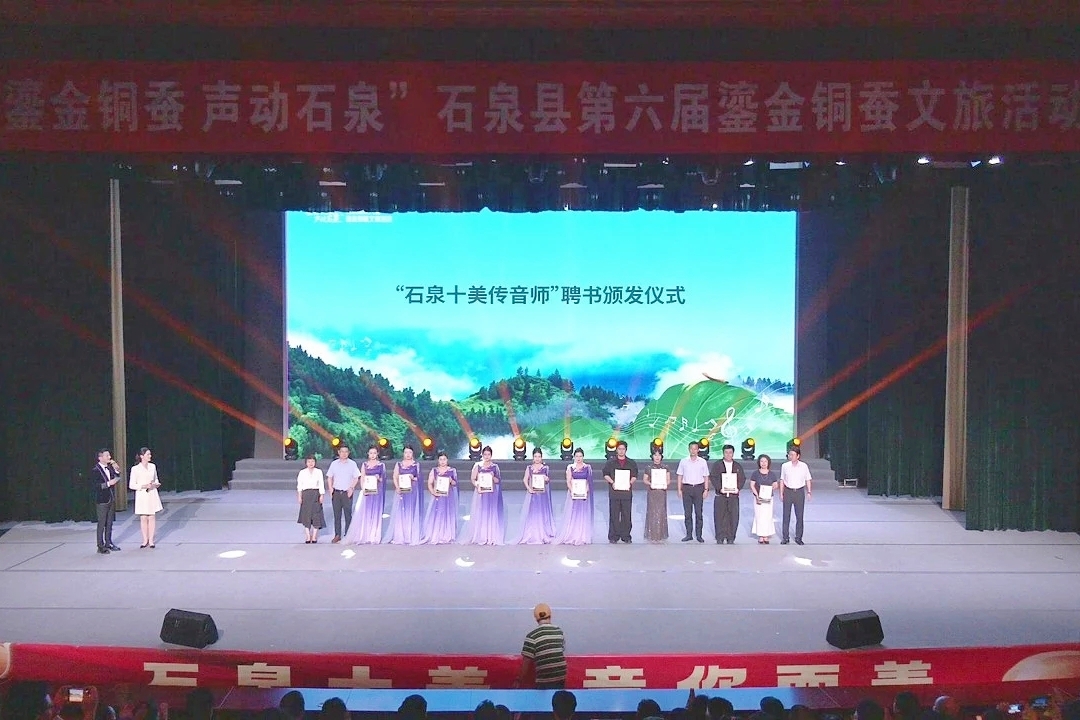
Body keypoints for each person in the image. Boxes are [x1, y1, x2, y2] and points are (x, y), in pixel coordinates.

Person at [516, 603, 567, 689]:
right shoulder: (559, 631)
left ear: (536, 618)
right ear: (550, 615)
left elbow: (526, 663)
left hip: (544, 681)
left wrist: (519, 680)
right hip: (561, 678)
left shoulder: (532, 636)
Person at [344, 446, 386, 544]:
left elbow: (383, 479)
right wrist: (363, 489)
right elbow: (362, 478)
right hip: (367, 492)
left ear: (377, 454)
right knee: (365, 513)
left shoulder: (381, 465)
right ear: (368, 454)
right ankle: (365, 534)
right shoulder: (365, 465)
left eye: (374, 453)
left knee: (375, 513)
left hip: (377, 492)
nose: (372, 455)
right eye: (371, 453)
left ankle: (374, 536)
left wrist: (378, 478)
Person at [465, 446, 505, 544]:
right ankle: (481, 535)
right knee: (481, 512)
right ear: (482, 455)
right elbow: (473, 479)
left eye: (489, 454)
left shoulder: (495, 467)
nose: (487, 456)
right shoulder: (477, 465)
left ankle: (491, 535)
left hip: (491, 493)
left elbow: (498, 481)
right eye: (485, 454)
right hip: (481, 493)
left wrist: (492, 477)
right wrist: (477, 484)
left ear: (491, 455)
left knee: (491, 512)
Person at [555, 448, 594, 545]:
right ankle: (572, 534)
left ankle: (582, 535)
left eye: (580, 456)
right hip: (573, 494)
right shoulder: (570, 467)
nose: (579, 458)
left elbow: (589, 481)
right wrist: (573, 491)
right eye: (577, 456)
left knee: (582, 514)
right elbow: (568, 481)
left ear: (583, 457)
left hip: (584, 494)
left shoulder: (587, 467)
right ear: (574, 457)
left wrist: (586, 491)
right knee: (573, 513)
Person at [602, 440, 637, 543]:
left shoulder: (631, 463)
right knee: (614, 515)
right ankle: (614, 536)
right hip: (615, 493)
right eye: (619, 449)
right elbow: (605, 474)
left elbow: (635, 475)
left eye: (623, 449)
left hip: (626, 493)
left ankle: (626, 536)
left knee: (626, 515)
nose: (621, 451)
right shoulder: (610, 462)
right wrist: (612, 482)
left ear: (626, 450)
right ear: (616, 450)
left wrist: (629, 483)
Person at [518, 447, 556, 544]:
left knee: (542, 513)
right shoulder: (529, 468)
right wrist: (529, 488)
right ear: (533, 457)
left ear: (541, 457)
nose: (537, 458)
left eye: (539, 456)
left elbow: (548, 480)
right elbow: (525, 479)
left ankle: (543, 532)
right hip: (533, 495)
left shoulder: (545, 468)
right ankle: (533, 533)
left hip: (543, 495)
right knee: (533, 513)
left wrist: (546, 478)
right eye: (535, 456)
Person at [388, 445, 424, 544]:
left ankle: (411, 534)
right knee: (401, 511)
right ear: (403, 453)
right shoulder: (398, 464)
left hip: (413, 491)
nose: (408, 454)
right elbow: (395, 477)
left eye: (410, 452)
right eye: (406, 452)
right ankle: (401, 535)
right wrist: (397, 487)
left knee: (411, 510)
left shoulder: (416, 465)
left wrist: (413, 478)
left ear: (413, 453)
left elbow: (420, 478)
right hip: (401, 491)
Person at [711, 444, 746, 544]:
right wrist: (720, 488)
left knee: (733, 517)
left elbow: (742, 479)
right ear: (723, 453)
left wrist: (738, 488)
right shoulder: (717, 465)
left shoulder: (737, 466)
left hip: (733, 496)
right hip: (721, 495)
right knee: (719, 517)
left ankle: (731, 537)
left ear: (733, 453)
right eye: (726, 452)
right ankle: (720, 537)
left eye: (730, 452)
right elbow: (713, 477)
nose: (728, 454)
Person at [421, 451, 459, 544]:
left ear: (447, 460)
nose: (442, 461)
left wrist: (451, 480)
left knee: (448, 514)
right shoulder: (434, 470)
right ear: (438, 460)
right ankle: (436, 534)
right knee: (437, 514)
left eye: (444, 459)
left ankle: (447, 534)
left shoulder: (452, 470)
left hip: (448, 496)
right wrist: (433, 492)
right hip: (437, 496)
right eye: (441, 459)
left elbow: (455, 483)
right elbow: (430, 483)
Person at [129, 447, 163, 548]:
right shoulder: (135, 469)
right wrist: (144, 486)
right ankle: (145, 540)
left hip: (152, 493)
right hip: (142, 495)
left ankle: (151, 540)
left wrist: (156, 484)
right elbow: (132, 485)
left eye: (150, 454)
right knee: (143, 517)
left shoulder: (152, 466)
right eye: (148, 454)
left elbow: (156, 478)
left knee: (152, 516)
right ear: (141, 456)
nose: (150, 456)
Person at [676, 441, 710, 542]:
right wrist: (679, 489)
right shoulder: (683, 461)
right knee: (687, 513)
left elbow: (706, 476)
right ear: (689, 449)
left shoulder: (702, 462)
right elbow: (680, 476)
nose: (693, 451)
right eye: (691, 449)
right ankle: (689, 535)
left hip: (699, 488)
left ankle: (699, 535)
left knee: (699, 513)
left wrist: (706, 489)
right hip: (687, 488)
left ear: (698, 450)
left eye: (695, 449)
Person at [325, 445, 360, 542]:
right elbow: (329, 477)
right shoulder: (334, 464)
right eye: (342, 451)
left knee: (348, 515)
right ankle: (337, 535)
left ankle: (348, 534)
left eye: (346, 452)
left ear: (348, 453)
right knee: (337, 515)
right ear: (338, 452)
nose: (344, 454)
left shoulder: (352, 464)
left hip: (347, 492)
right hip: (336, 492)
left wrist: (351, 488)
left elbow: (356, 477)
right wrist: (330, 489)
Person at [90, 448, 122, 554]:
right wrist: (108, 483)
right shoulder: (95, 470)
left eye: (109, 455)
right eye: (107, 455)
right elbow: (95, 486)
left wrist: (116, 470)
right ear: (100, 458)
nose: (109, 457)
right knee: (102, 523)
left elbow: (117, 477)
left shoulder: (109, 468)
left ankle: (109, 542)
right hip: (102, 500)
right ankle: (100, 546)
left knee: (109, 523)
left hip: (111, 498)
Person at [779, 446, 812, 545]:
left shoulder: (804, 466)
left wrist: (809, 492)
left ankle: (799, 538)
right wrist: (781, 493)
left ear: (798, 456)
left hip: (799, 492)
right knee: (786, 516)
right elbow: (782, 480)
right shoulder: (785, 466)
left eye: (793, 455)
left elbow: (808, 479)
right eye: (790, 454)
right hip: (788, 491)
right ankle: (785, 537)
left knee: (799, 516)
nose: (791, 456)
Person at [296, 454, 325, 543]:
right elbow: (299, 485)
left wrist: (322, 495)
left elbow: (321, 484)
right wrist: (299, 496)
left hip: (315, 494)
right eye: (309, 461)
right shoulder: (302, 472)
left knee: (316, 515)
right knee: (306, 515)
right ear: (306, 463)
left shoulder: (318, 472)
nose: (311, 463)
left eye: (312, 461)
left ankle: (314, 536)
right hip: (306, 494)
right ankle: (308, 536)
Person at [642, 449, 670, 543]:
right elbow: (645, 480)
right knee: (652, 512)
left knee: (661, 512)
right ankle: (652, 534)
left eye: (659, 455)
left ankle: (661, 534)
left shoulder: (665, 467)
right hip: (652, 492)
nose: (657, 457)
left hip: (661, 492)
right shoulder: (648, 468)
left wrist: (663, 484)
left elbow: (668, 480)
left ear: (661, 457)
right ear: (652, 456)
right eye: (655, 455)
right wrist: (651, 484)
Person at [750, 454, 779, 544]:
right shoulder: (755, 473)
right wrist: (756, 495)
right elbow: (752, 485)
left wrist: (773, 487)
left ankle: (766, 535)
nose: (763, 463)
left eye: (765, 461)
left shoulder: (772, 474)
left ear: (768, 463)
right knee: (759, 516)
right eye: (761, 461)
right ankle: (760, 535)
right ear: (759, 462)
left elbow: (775, 484)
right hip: (758, 498)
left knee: (767, 516)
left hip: (769, 498)